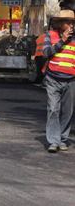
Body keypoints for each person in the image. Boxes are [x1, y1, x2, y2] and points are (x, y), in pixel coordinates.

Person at [41, 10, 75, 153]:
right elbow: (46, 52)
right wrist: (62, 41)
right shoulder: (51, 35)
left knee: (68, 111)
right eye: (68, 22)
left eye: (73, 22)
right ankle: (53, 141)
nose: (71, 25)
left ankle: (63, 138)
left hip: (71, 80)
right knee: (53, 109)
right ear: (60, 24)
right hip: (53, 79)